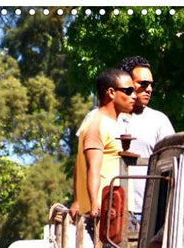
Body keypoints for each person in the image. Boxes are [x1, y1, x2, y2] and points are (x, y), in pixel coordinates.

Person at [70, 68, 138, 221]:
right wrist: (94, 204)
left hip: (118, 210)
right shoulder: (97, 123)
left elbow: (77, 163)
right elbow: (91, 168)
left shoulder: (112, 123)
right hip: (108, 214)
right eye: (128, 91)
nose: (134, 96)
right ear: (111, 92)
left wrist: (77, 200)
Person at [116, 56, 175, 229]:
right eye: (143, 84)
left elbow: (172, 165)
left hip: (151, 212)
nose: (149, 89)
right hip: (114, 211)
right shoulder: (106, 118)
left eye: (151, 85)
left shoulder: (159, 121)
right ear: (127, 83)